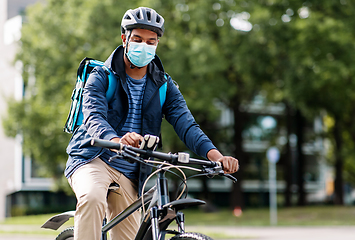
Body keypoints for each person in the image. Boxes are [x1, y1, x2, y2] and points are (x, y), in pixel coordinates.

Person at [65, 6, 239, 240]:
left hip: (132, 169)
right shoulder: (101, 76)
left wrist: (217, 157)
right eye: (137, 39)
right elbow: (94, 118)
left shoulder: (164, 85)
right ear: (124, 38)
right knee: (93, 197)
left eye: (151, 41)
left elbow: (187, 125)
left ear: (157, 43)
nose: (144, 46)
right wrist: (117, 140)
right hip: (92, 157)